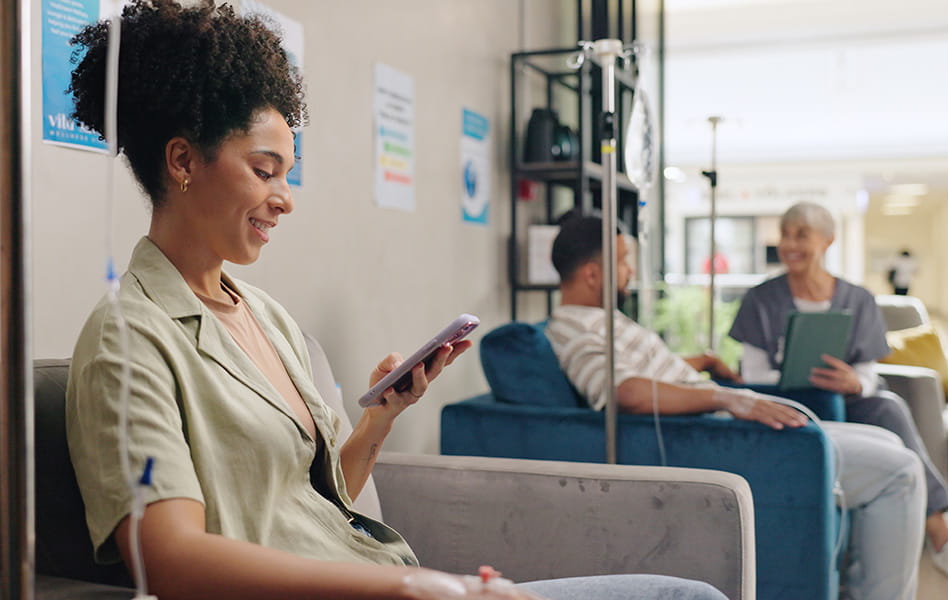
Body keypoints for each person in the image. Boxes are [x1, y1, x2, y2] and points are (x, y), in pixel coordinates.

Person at [63, 2, 727, 600]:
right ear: (182, 162)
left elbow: (320, 501)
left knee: (683, 594)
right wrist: (412, 586)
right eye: (264, 170)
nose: (285, 197)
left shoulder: (266, 317)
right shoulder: (130, 338)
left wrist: (380, 419)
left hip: (397, 580)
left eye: (287, 175)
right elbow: (168, 561)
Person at [544, 212, 927, 600]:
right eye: (623, 261)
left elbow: (641, 372)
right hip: (724, 437)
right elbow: (625, 391)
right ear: (593, 274)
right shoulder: (576, 329)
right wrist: (729, 397)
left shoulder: (604, 322)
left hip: (726, 423)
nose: (630, 271)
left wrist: (701, 362)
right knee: (901, 472)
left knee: (887, 440)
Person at [728, 202, 948, 577]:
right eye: (784, 234)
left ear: (828, 241)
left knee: (888, 407)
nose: (789, 244)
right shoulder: (760, 299)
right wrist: (796, 379)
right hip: (784, 404)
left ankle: (937, 520)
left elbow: (868, 373)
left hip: (843, 402)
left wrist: (853, 381)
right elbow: (752, 373)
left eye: (801, 234)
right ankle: (938, 528)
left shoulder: (857, 299)